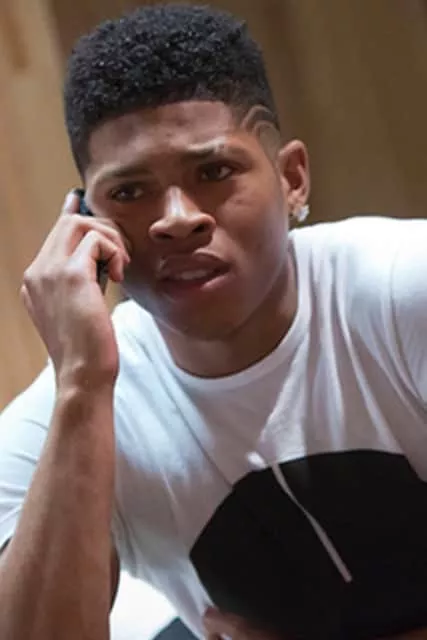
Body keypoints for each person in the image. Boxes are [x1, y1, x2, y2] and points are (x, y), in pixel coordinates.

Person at [0, 3, 426, 639]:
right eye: (129, 192)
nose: (176, 218)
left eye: (214, 171)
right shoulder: (68, 410)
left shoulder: (405, 288)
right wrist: (82, 384)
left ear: (292, 178)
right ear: (85, 220)